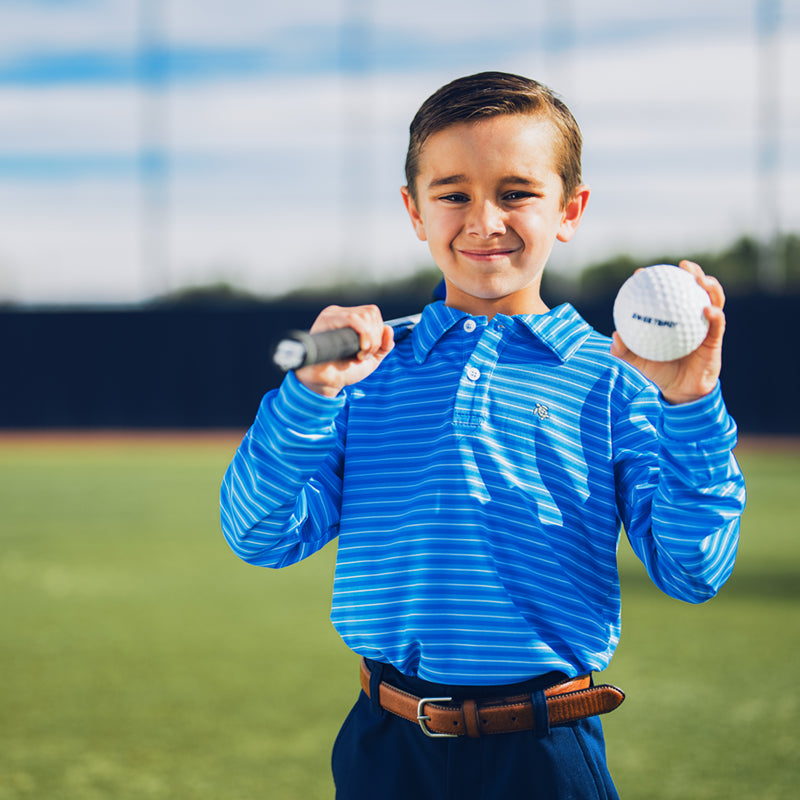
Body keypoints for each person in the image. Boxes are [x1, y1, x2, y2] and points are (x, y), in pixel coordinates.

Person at [220, 72, 746, 799]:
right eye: (454, 193)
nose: (484, 219)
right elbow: (260, 535)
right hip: (384, 747)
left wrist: (691, 404)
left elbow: (695, 571)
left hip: (544, 752)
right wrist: (309, 396)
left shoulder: (619, 377)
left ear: (570, 209)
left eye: (517, 192)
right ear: (415, 210)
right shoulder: (361, 371)